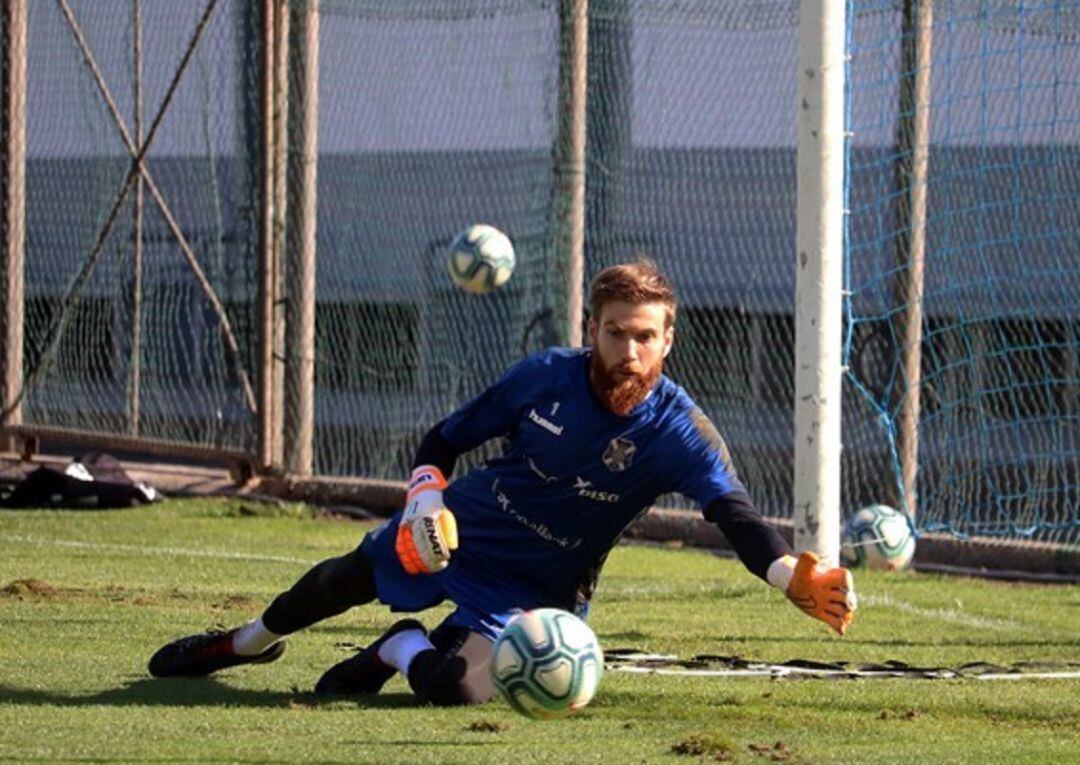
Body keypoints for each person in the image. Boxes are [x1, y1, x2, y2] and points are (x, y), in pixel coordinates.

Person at [148, 259, 857, 705]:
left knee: (460, 690)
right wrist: (426, 496)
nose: (629, 351)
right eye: (615, 332)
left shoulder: (680, 432)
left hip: (541, 586)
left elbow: (732, 512)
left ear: (668, 340)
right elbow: (444, 440)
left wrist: (783, 571)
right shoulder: (544, 375)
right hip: (465, 527)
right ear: (593, 328)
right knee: (338, 581)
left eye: (645, 337)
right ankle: (244, 642)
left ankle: (399, 645)